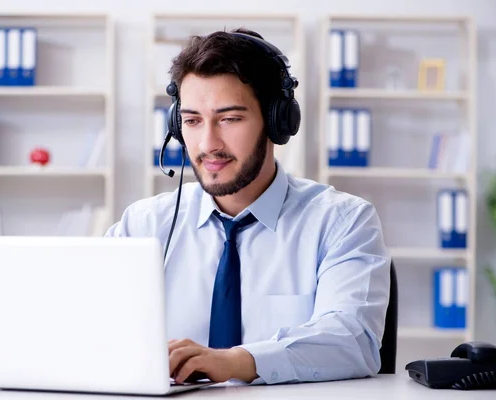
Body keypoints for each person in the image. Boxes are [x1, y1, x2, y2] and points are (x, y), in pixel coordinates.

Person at [105, 28, 391, 385]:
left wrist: (235, 362)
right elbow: (92, 324)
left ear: (277, 121)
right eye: (192, 121)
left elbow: (353, 341)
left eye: (229, 119)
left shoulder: (342, 221)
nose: (208, 143)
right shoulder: (143, 225)